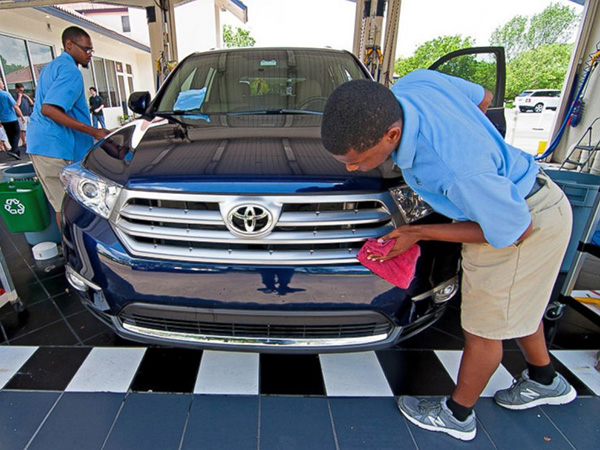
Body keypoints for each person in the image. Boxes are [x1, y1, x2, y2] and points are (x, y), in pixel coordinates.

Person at [320, 72, 576, 442]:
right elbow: (483, 97)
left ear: (391, 135)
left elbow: (512, 232)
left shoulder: (456, 169)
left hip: (524, 222)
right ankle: (545, 379)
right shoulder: (414, 84)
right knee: (518, 304)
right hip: (526, 197)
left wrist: (419, 231)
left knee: (484, 328)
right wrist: (483, 148)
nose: (351, 168)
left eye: (357, 159)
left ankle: (457, 415)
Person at [27, 26, 109, 225]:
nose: (90, 55)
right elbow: (49, 109)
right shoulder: (70, 71)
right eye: (86, 49)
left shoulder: (51, 67)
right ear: (69, 45)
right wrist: (95, 131)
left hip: (45, 145)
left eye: (91, 50)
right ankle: (71, 252)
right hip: (55, 148)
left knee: (65, 204)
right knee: (67, 207)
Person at [0, 78, 25, 159]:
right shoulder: (6, 94)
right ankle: (14, 150)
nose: (3, 85)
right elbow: (15, 106)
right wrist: (21, 116)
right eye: (2, 83)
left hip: (3, 120)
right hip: (12, 118)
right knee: (16, 134)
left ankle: (16, 152)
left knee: (10, 135)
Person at [12, 82, 34, 148]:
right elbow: (17, 105)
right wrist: (19, 97)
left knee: (29, 128)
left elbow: (32, 103)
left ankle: (30, 140)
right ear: (17, 89)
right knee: (23, 129)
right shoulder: (14, 96)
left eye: (22, 90)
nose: (22, 91)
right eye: (20, 90)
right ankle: (24, 142)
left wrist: (27, 96)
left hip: (28, 114)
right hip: (21, 115)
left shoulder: (24, 95)